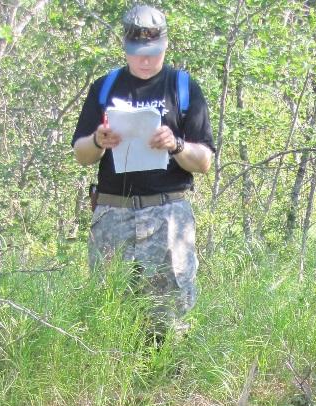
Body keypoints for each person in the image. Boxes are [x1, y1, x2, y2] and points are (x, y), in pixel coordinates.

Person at [72, 5, 215, 329]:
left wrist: (175, 144)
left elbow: (204, 160)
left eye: (152, 51)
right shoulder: (104, 88)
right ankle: (112, 379)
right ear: (125, 47)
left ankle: (170, 378)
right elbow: (82, 155)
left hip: (167, 217)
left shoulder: (183, 88)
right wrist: (98, 140)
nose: (146, 60)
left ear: (165, 45)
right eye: (138, 52)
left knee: (171, 316)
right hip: (113, 214)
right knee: (110, 312)